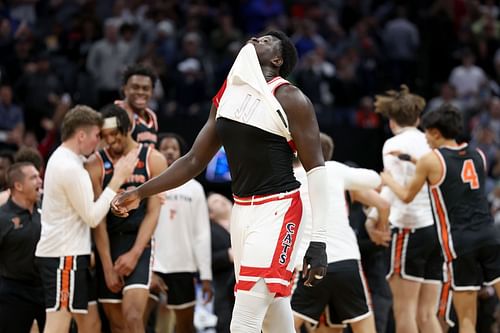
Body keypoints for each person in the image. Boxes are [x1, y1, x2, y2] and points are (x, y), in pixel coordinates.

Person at [112, 31, 331, 333]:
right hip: (241, 211)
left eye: (266, 40)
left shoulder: (290, 97)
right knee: (271, 313)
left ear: (277, 60)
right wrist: (140, 192)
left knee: (243, 320)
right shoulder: (228, 93)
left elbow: (317, 171)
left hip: (278, 211)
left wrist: (319, 240)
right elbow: (193, 161)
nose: (256, 38)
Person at [381, 104, 500, 333]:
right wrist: (409, 158)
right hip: (489, 234)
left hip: (460, 242)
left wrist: (388, 180)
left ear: (435, 132)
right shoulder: (479, 155)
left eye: (427, 132)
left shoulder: (430, 160)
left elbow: (406, 196)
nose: (425, 137)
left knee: (467, 319)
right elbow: (450, 171)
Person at [34, 105, 137, 333]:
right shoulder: (70, 167)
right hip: (64, 257)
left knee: (90, 324)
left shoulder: (64, 157)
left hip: (68, 255)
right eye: (96, 136)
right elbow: (92, 217)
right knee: (58, 325)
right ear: (81, 135)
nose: (100, 142)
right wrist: (117, 179)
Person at [291, 133, 388, 333]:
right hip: (346, 261)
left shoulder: (287, 177)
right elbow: (375, 182)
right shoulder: (334, 170)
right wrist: (379, 227)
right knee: (359, 326)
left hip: (308, 264)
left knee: (286, 326)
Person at [86, 104, 166, 333]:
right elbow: (98, 220)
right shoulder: (94, 164)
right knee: (117, 325)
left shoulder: (154, 159)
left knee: (133, 317)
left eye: (115, 134)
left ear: (129, 128)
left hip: (137, 243)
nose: (110, 141)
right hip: (107, 243)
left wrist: (134, 254)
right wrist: (108, 266)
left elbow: (153, 212)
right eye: (105, 136)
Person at [372, 85, 443, 333]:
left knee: (404, 311)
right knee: (427, 314)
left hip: (409, 228)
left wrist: (374, 218)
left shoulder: (393, 143)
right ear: (418, 118)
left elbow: (393, 190)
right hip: (436, 230)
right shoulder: (432, 143)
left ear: (391, 121)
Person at [150, 132, 212, 333]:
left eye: (173, 148)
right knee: (137, 321)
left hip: (183, 266)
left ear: (181, 153)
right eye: (164, 147)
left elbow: (202, 233)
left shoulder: (195, 188)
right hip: (152, 265)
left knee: (185, 327)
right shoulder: (148, 185)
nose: (169, 151)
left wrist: (206, 275)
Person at [0, 162, 43, 332]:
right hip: (13, 291)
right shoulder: (3, 218)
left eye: (39, 176)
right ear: (18, 185)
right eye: (33, 178)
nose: (40, 181)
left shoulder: (48, 209)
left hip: (46, 287)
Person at [208, 192, 235, 333]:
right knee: (226, 324)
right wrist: (227, 255)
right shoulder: (209, 232)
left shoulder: (243, 222)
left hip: (250, 283)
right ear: (211, 214)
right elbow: (206, 260)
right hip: (224, 286)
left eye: (222, 197)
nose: (222, 201)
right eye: (215, 202)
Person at [115, 64, 159, 146]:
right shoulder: (116, 112)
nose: (140, 92)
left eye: (145, 89)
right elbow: (103, 147)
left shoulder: (152, 116)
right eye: (135, 87)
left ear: (152, 92)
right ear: (125, 89)